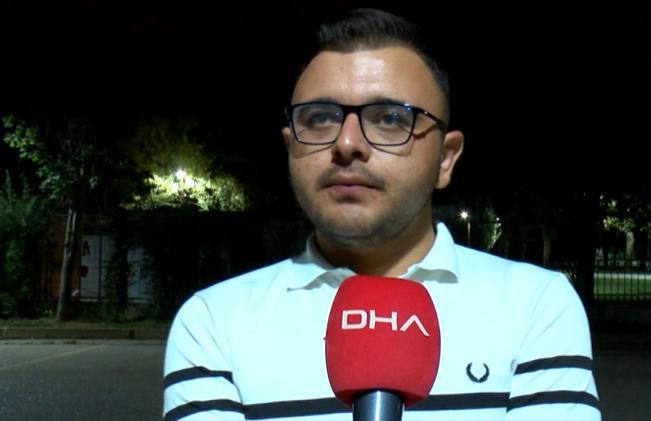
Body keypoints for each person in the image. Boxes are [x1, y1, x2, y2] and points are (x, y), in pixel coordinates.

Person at [163, 8, 600, 421]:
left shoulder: (535, 305)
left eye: (391, 118)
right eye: (319, 118)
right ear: (290, 147)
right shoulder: (213, 322)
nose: (346, 143)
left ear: (445, 158)